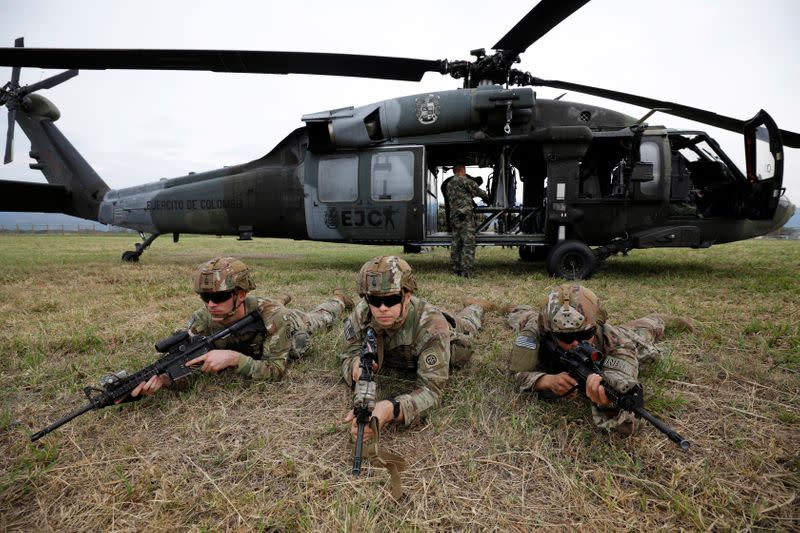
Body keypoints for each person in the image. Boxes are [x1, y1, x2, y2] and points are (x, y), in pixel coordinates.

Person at [128, 256, 353, 398]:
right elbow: (191, 367)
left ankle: (339, 301)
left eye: (220, 297)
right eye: (205, 297)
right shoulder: (201, 321)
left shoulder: (275, 317)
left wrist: (234, 359)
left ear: (241, 294)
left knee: (317, 320)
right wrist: (166, 380)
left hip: (288, 324)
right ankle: (281, 298)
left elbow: (276, 370)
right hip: (259, 318)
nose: (211, 305)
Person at [506, 284, 695, 435]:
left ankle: (656, 320)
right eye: (565, 338)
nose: (575, 343)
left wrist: (609, 403)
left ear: (596, 327)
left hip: (622, 338)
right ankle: (517, 309)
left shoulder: (616, 342)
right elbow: (517, 372)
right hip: (534, 319)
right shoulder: (536, 330)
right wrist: (545, 381)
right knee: (521, 316)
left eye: (585, 334)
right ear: (549, 331)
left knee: (649, 351)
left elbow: (623, 386)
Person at [340, 255, 491, 441]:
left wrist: (390, 409)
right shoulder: (362, 313)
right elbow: (348, 353)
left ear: (407, 296)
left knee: (466, 323)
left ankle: (476, 307)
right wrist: (355, 366)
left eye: (392, 299)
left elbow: (431, 392)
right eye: (374, 300)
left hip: (450, 336)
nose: (382, 308)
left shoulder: (432, 328)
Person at [443, 164, 491, 277]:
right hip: (465, 217)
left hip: (454, 217)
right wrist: (488, 198)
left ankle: (456, 269)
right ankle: (466, 271)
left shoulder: (449, 184)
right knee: (468, 243)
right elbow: (479, 192)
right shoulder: (465, 181)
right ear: (463, 170)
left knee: (456, 243)